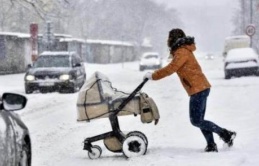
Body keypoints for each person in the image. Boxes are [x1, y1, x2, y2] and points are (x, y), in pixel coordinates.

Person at [143, 28, 236, 152]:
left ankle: (225, 134)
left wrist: (153, 75)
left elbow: (171, 68)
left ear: (174, 38)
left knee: (196, 120)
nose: (167, 40)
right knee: (200, 120)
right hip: (199, 87)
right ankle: (211, 145)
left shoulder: (182, 51)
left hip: (198, 89)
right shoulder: (182, 50)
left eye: (169, 37)